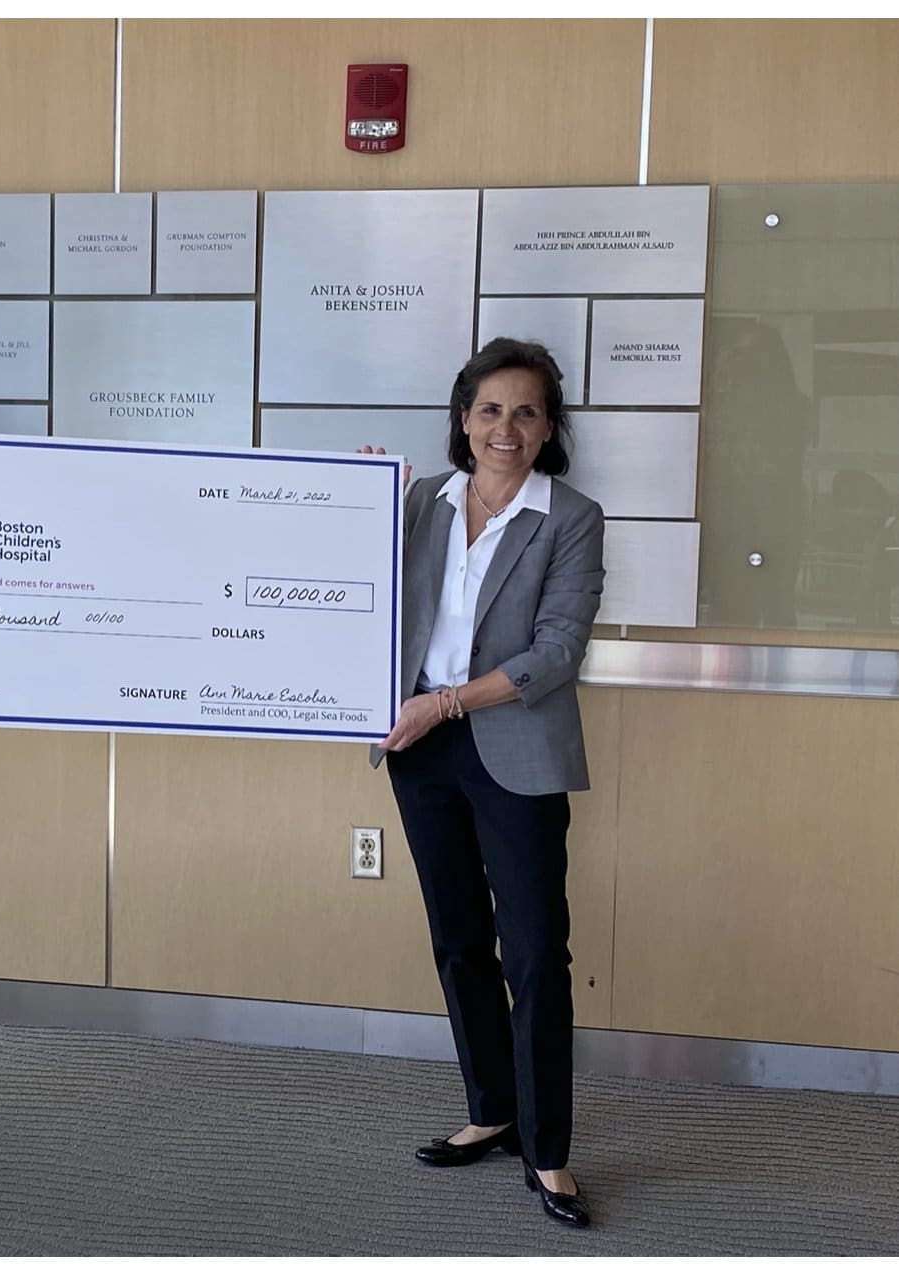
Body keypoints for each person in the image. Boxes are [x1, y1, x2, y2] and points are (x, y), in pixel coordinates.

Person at [361, 337, 605, 1229]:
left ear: (549, 430)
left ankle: (547, 1151)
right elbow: (356, 586)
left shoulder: (571, 516)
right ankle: (491, 1109)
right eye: (491, 409)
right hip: (422, 749)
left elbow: (555, 654)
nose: (508, 427)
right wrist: (353, 504)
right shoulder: (420, 500)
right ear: (463, 419)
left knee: (537, 951)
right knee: (460, 938)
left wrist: (446, 704)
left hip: (513, 746)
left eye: (528, 412)